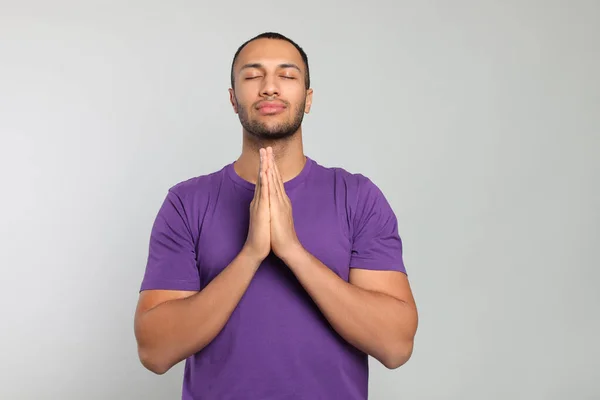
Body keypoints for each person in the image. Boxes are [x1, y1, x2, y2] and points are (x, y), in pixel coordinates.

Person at [134, 32, 419, 400]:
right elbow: (155, 352)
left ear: (308, 98)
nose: (270, 87)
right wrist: (251, 253)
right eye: (253, 76)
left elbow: (395, 346)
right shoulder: (186, 203)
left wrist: (293, 252)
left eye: (287, 76)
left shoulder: (357, 197)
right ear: (234, 99)